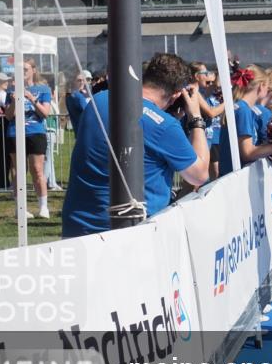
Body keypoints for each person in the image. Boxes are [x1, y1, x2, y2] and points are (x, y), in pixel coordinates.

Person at [62, 53, 209, 237]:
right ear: (177, 94)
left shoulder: (99, 100)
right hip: (128, 233)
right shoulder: (164, 126)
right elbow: (199, 175)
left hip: (78, 224)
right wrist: (195, 117)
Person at [218, 65, 272, 176]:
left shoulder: (240, 107)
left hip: (229, 176)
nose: (268, 90)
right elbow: (248, 153)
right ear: (261, 86)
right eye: (267, 87)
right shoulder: (243, 110)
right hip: (234, 179)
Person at [5, 59, 52, 219]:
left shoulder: (43, 89)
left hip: (35, 132)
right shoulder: (11, 89)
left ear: (33, 70)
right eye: (19, 69)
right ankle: (20, 208)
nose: (22, 72)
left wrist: (32, 98)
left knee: (37, 170)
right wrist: (13, 100)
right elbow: (9, 115)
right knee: (18, 171)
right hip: (15, 132)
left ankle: (43, 207)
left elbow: (45, 113)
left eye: (25, 69)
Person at [190, 62, 225, 182]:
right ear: (196, 76)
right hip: (197, 138)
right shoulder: (193, 90)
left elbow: (217, 84)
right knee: (193, 183)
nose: (207, 76)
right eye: (205, 73)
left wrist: (221, 70)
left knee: (212, 174)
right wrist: (228, 103)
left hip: (207, 138)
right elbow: (211, 112)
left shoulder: (202, 91)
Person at [65, 70, 92, 136]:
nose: (82, 82)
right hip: (85, 130)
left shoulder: (70, 95)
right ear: (74, 82)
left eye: (83, 80)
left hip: (78, 130)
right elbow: (89, 111)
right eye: (79, 80)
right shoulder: (77, 96)